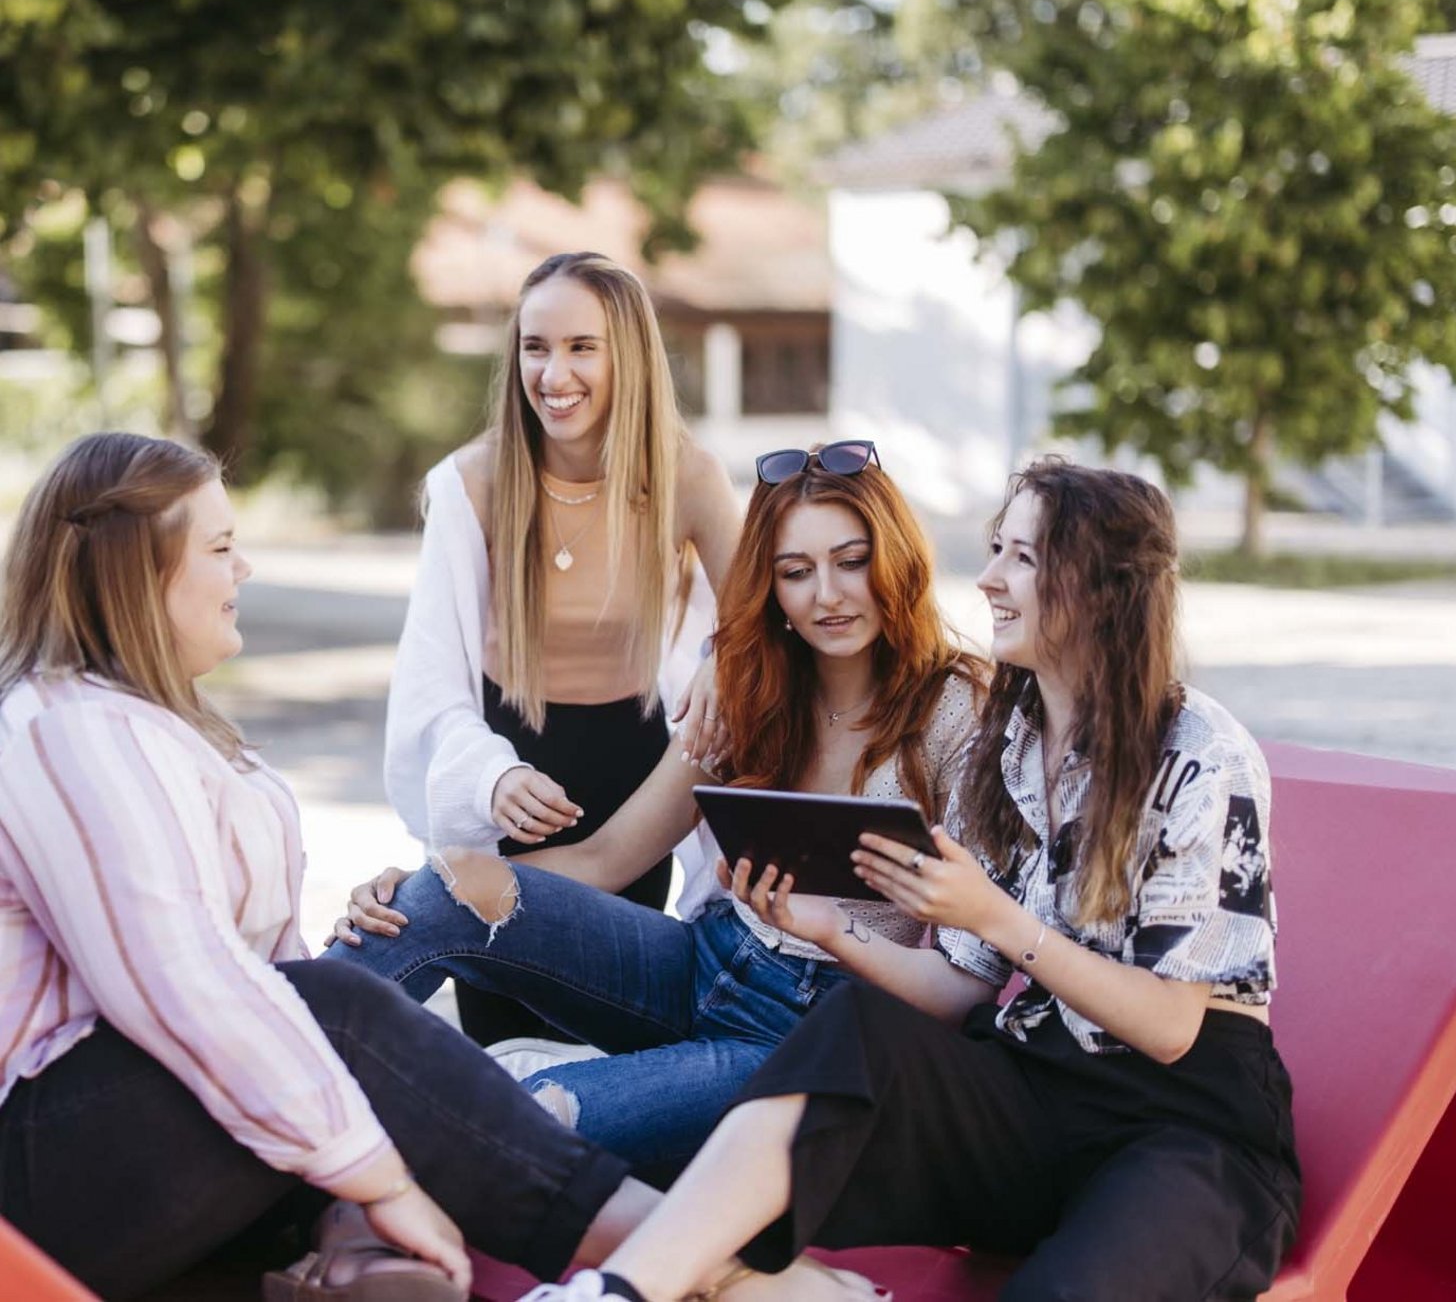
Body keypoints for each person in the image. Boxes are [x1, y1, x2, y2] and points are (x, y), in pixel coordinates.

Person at [516, 457, 1302, 1302]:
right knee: (852, 1032)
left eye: (1022, 558)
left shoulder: (1197, 753)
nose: (989, 578)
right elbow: (959, 986)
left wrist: (1000, 920)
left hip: (1187, 1129)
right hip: (1036, 1091)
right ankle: (620, 1292)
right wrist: (824, 925)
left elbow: (1173, 1027)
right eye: (996, 549)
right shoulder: (1009, 742)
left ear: (1099, 585)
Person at [0, 432, 670, 1301]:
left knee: (340, 1042)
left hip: (128, 1124)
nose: (243, 569)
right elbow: (181, 988)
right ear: (136, 570)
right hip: (35, 1166)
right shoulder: (62, 731)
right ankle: (694, 1262)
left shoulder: (166, 730)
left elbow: (261, 972)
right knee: (338, 1021)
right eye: (220, 547)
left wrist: (351, 1179)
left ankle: (335, 1256)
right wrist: (377, 1176)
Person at [326, 442, 986, 1180]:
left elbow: (967, 972)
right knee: (445, 885)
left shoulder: (959, 711)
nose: (827, 595)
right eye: (795, 573)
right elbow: (607, 858)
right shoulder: (751, 694)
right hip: (701, 962)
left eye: (851, 561)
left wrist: (834, 930)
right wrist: (415, 891)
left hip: (808, 1035)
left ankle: (313, 1163)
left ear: (895, 558)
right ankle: (268, 1064)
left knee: (520, 1114)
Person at [388, 250, 740, 1043]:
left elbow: (762, 611)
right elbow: (431, 677)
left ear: (629, 354)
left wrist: (724, 659)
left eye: (582, 347)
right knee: (502, 1034)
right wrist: (490, 776)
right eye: (535, 347)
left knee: (607, 1023)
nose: (554, 373)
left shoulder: (686, 476)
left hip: (633, 772)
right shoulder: (469, 482)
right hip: (506, 779)